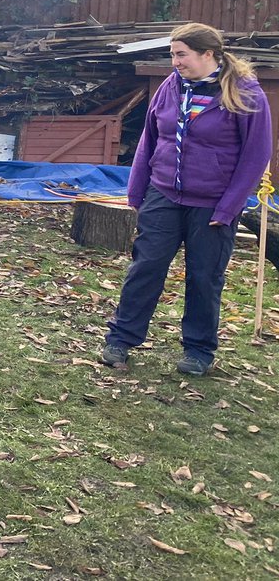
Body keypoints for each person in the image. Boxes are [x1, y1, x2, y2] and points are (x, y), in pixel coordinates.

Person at [101, 22, 272, 376]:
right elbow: (150, 138)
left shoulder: (245, 92)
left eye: (181, 54)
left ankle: (198, 350)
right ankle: (121, 338)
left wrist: (229, 207)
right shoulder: (171, 86)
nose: (175, 62)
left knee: (204, 276)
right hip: (163, 194)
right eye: (172, 54)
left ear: (208, 54)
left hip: (212, 204)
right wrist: (137, 189)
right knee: (145, 268)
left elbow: (256, 156)